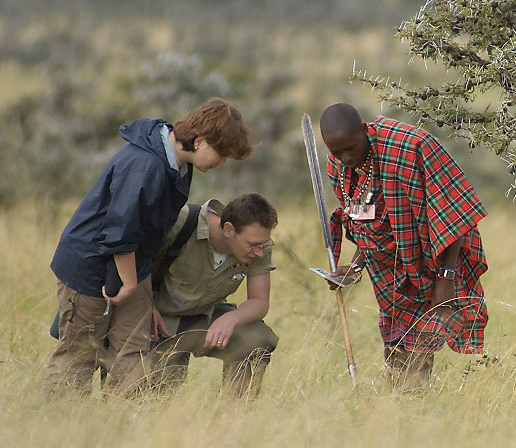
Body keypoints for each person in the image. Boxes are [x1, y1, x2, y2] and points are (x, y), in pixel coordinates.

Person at [43, 98, 255, 396]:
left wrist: (138, 286)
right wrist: (131, 283)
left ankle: (124, 429)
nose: (222, 163)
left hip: (131, 267)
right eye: (222, 154)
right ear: (201, 140)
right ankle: (56, 430)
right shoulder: (146, 166)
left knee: (133, 354)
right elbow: (119, 232)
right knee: (78, 357)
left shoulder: (177, 163)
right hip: (91, 268)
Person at [319, 103, 489, 389]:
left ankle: (408, 407)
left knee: (417, 353)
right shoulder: (339, 166)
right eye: (337, 152)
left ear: (364, 130)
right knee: (399, 352)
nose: (345, 158)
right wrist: (356, 267)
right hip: (390, 277)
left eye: (350, 148)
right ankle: (403, 414)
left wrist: (446, 278)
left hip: (435, 262)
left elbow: (454, 212)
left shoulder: (412, 147)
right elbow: (365, 220)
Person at [149, 193, 279, 398]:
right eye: (254, 245)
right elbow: (132, 261)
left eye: (263, 245)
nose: (260, 253)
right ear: (228, 229)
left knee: (257, 338)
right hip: (157, 320)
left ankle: (235, 417)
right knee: (156, 397)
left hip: (204, 315)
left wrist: (230, 319)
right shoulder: (180, 222)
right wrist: (145, 306)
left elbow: (259, 301)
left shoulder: (259, 245)